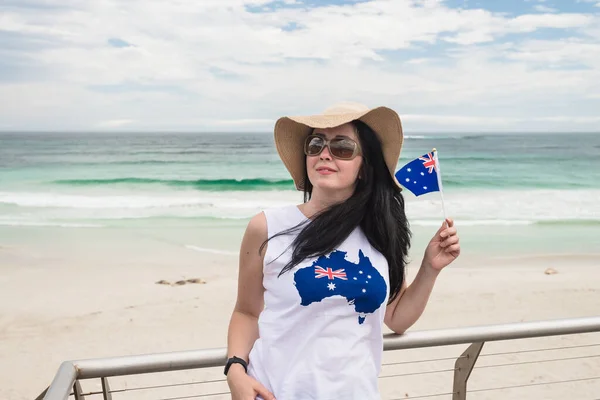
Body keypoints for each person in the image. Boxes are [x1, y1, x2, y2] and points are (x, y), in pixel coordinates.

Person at [224, 102, 461, 400]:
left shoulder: (380, 234)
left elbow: (396, 317)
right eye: (316, 143)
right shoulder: (267, 226)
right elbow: (246, 311)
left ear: (365, 167)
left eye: (343, 147)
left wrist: (430, 268)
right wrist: (235, 370)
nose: (325, 153)